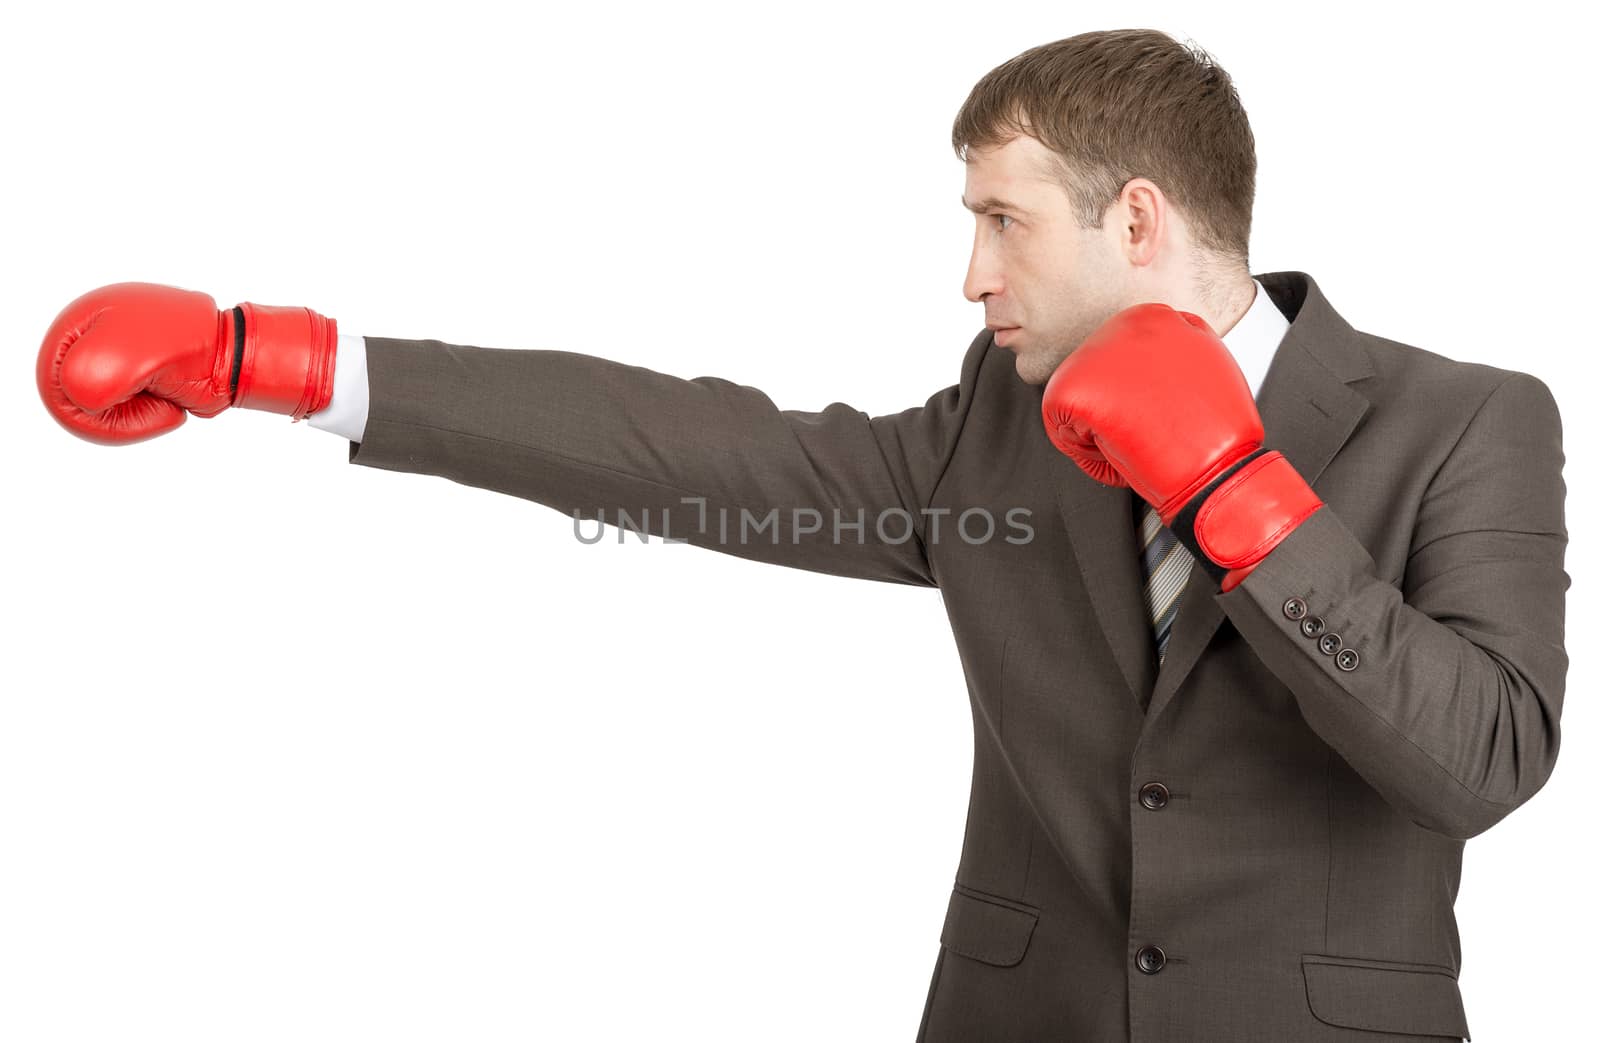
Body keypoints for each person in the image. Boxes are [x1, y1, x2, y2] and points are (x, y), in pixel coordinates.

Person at [33, 27, 1566, 1043]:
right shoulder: (1001, 413)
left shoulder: (1469, 420)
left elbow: (1482, 762)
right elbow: (704, 449)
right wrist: (302, 364)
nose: (971, 275)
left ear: (1142, 220)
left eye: (1002, 220)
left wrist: (1242, 496)